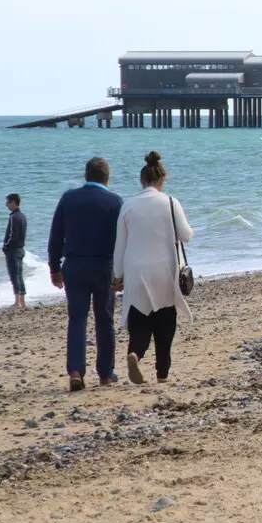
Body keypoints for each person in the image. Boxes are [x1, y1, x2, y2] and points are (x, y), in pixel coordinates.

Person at [113, 151, 193, 385]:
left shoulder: (128, 205)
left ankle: (135, 353)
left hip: (136, 270)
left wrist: (117, 276)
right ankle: (162, 373)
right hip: (165, 268)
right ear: (162, 180)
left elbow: (120, 245)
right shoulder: (170, 202)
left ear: (142, 180)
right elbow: (185, 235)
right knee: (165, 320)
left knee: (139, 318)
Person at [49, 156, 123, 391]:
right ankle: (105, 373)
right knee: (105, 319)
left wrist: (54, 268)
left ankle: (75, 371)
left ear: (86, 175)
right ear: (107, 178)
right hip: (104, 266)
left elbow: (55, 236)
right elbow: (121, 242)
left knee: (77, 319)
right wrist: (121, 272)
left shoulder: (68, 198)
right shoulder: (115, 202)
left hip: (75, 265)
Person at [2, 193, 27, 309]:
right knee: (19, 275)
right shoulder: (22, 216)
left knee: (14, 275)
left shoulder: (14, 217)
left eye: (8, 202)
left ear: (13, 202)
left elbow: (13, 234)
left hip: (13, 249)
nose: (6, 204)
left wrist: (5, 246)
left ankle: (17, 302)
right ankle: (22, 300)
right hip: (21, 248)